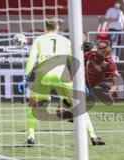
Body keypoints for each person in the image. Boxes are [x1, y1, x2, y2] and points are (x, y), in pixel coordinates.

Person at [17, 17, 104, 146]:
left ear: (46, 28)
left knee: (33, 105)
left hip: (43, 75)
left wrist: (25, 77)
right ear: (57, 27)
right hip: (63, 76)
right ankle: (93, 137)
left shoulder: (39, 40)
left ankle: (30, 138)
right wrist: (82, 82)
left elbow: (31, 59)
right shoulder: (66, 41)